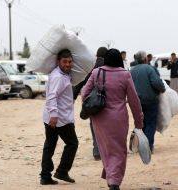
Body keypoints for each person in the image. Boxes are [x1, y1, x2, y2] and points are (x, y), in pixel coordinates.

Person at [81, 49, 143, 190]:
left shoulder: (96, 72)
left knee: (106, 149)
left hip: (99, 118)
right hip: (118, 119)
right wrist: (139, 122)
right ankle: (114, 182)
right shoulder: (125, 75)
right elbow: (134, 101)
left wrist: (92, 106)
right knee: (119, 151)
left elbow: (84, 93)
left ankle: (111, 177)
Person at [40, 49, 78, 185]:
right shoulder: (58, 77)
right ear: (58, 61)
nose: (67, 64)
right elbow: (51, 96)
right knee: (72, 143)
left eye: (69, 62)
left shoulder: (60, 74)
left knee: (49, 145)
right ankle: (62, 171)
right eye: (64, 61)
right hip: (59, 118)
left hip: (51, 116)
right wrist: (54, 115)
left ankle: (45, 176)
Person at [73, 47, 108, 161]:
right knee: (107, 127)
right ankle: (106, 151)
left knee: (94, 125)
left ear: (96, 55)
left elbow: (80, 83)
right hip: (106, 102)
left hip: (92, 102)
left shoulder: (90, 67)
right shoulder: (110, 66)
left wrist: (73, 97)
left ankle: (97, 151)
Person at [131, 50, 165, 152]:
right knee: (150, 123)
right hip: (150, 101)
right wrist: (162, 89)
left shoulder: (131, 71)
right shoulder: (149, 69)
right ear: (145, 59)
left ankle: (140, 145)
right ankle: (148, 146)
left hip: (136, 102)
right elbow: (157, 83)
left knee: (141, 123)